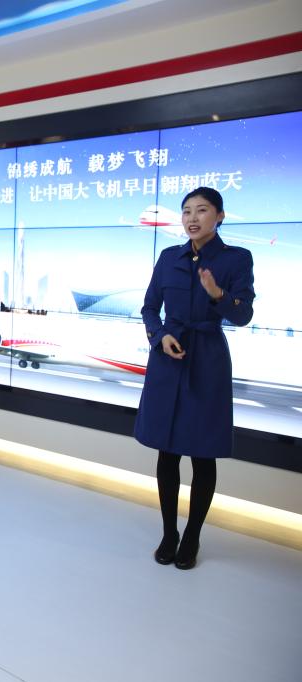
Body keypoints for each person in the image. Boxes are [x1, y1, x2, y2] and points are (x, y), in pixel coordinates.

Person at [134, 187, 254, 570]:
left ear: (220, 216)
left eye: (202, 210)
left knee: (203, 454)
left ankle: (192, 536)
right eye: (186, 211)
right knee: (167, 451)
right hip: (168, 358)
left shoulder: (237, 258)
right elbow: (149, 307)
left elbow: (243, 315)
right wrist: (159, 336)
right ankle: (169, 533)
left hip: (207, 361)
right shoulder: (169, 257)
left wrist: (218, 294)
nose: (192, 218)